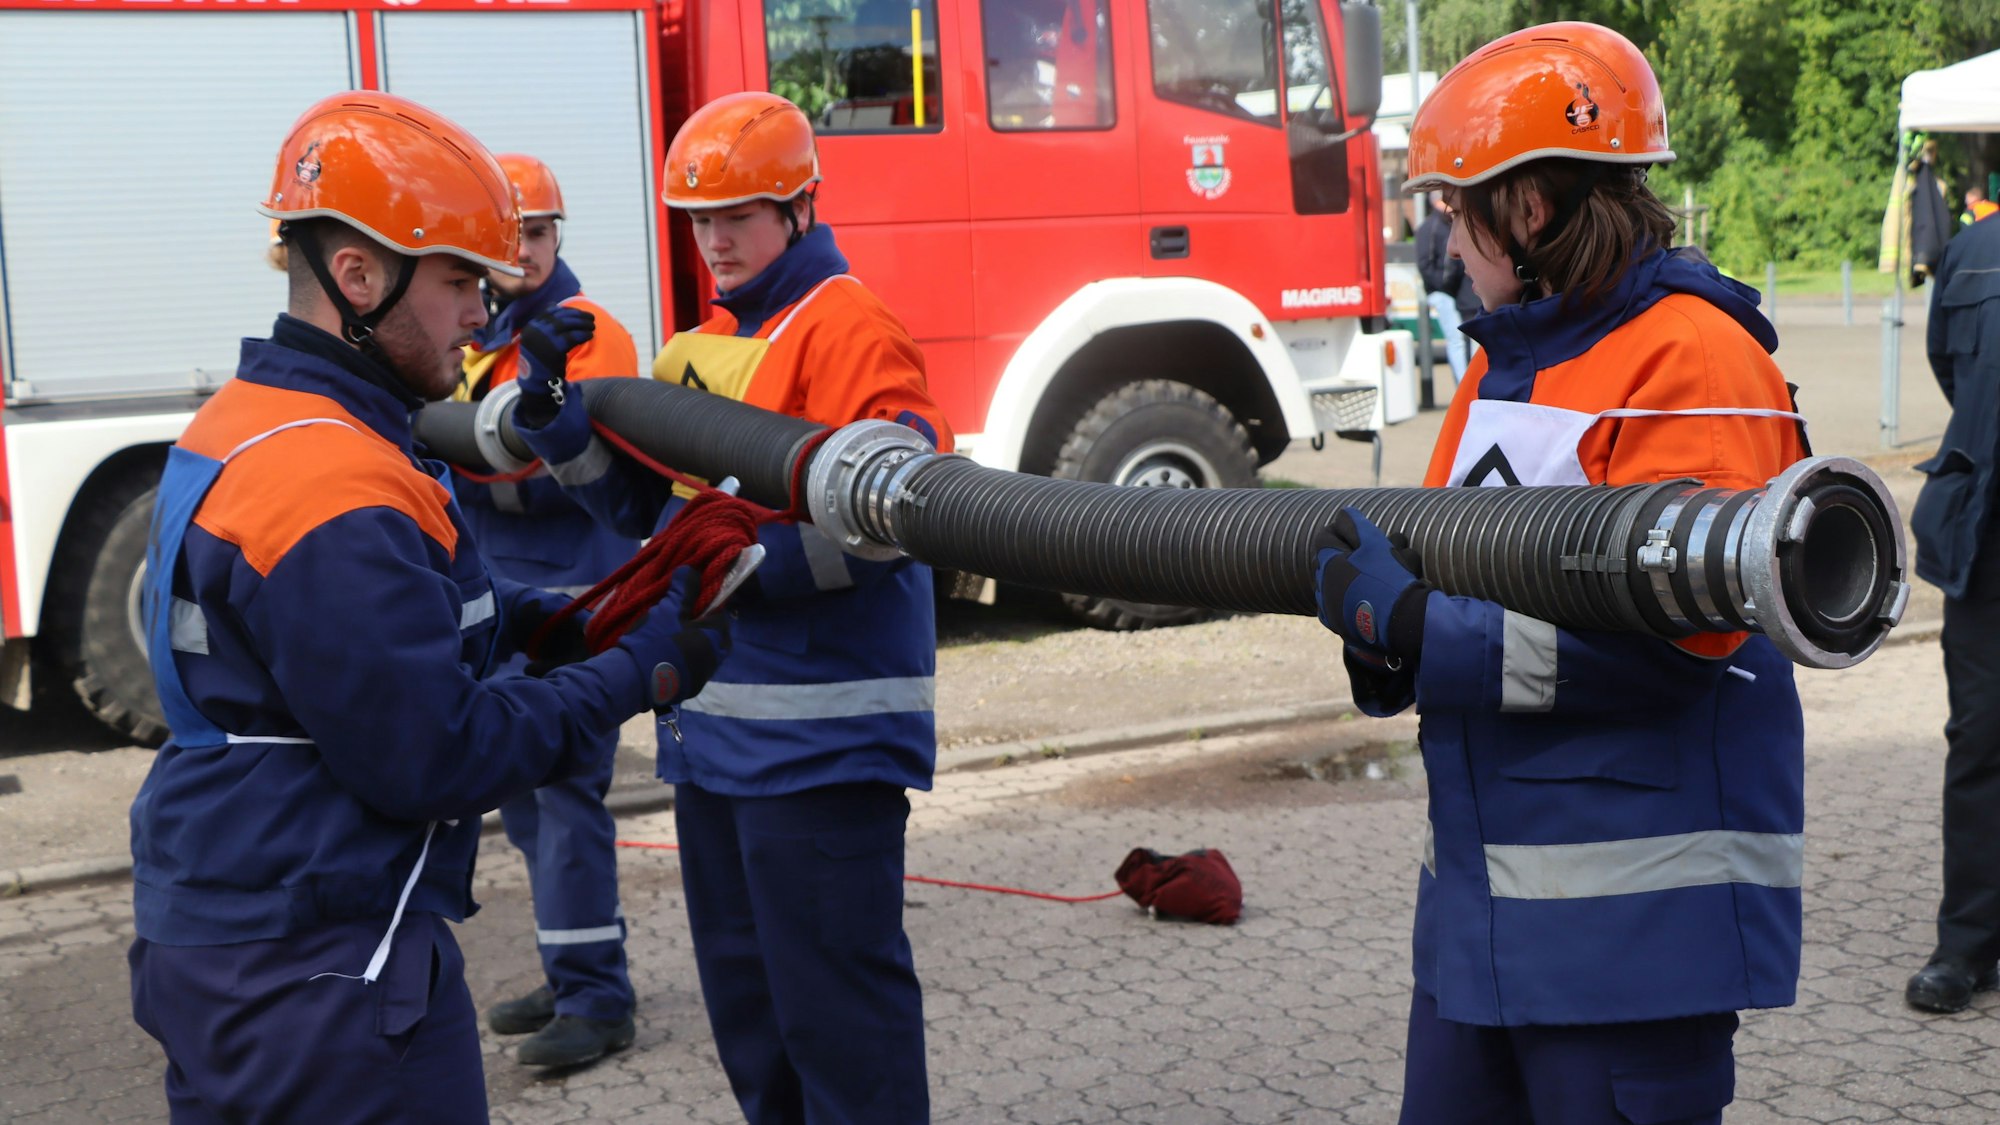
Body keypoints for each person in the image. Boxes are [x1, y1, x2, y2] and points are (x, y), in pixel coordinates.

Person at [127, 91, 729, 1123]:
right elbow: (435, 757)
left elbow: (381, 636)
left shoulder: (260, 421)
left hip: (242, 926)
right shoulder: (330, 487)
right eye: (457, 281)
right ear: (356, 277)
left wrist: (547, 623)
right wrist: (641, 671)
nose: (482, 315)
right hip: (317, 972)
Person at [1308, 24, 1810, 1124]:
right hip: (1478, 934)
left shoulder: (1694, 360)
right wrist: (1383, 634)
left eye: (1453, 207)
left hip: (1627, 947)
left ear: (1525, 209)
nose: (1444, 239)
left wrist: (1422, 631)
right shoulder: (1504, 364)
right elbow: (1444, 569)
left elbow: (1682, 644)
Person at [513, 91, 950, 1124]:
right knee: (754, 1029)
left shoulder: (850, 330)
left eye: (737, 215)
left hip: (823, 751)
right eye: (698, 220)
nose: (712, 239)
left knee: (840, 1028)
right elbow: (646, 515)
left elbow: (898, 521)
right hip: (715, 747)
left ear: (798, 207)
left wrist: (748, 563)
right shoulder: (697, 346)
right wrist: (555, 424)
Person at [447, 153, 647, 1068]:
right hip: (512, 604)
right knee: (527, 806)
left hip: (576, 603)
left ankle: (599, 999)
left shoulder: (584, 330)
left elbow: (537, 470)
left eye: (537, 231)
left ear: (558, 235)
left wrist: (471, 459)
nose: (524, 250)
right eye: (510, 233)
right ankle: (571, 973)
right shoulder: (484, 342)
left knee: (565, 797)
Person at [1906, 201, 2000, 1014]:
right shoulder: (1970, 254)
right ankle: (1967, 945)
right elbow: (1951, 371)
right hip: (1985, 538)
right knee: (1979, 737)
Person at [1415, 194, 1481, 385]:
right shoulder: (1431, 227)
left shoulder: (1446, 224)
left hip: (1456, 290)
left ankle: (1470, 382)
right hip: (1443, 291)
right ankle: (1464, 383)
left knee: (1467, 338)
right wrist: (1444, 285)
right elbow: (1426, 264)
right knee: (1456, 339)